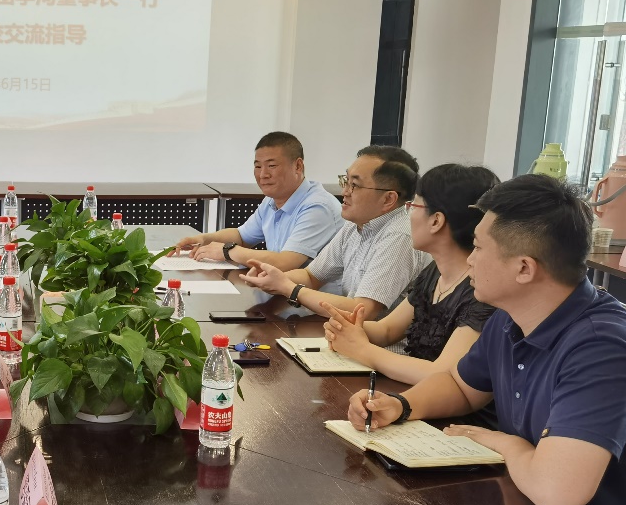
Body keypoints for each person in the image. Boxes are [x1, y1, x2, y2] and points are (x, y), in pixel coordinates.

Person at [348, 175, 626, 505]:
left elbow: (556, 492)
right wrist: (400, 405)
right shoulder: (511, 317)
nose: (469, 259)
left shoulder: (602, 347)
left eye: (479, 247)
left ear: (524, 268)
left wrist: (508, 444)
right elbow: (461, 386)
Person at [321, 163, 499, 381]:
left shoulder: (480, 289)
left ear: (436, 221)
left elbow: (442, 375)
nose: (409, 215)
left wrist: (361, 348)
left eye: (413, 206)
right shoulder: (435, 272)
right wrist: (349, 327)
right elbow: (387, 330)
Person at [241, 145, 430, 321]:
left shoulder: (400, 236)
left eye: (355, 185)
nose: (345, 192)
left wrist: (290, 288)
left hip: (377, 343)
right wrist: (272, 278)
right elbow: (312, 276)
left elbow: (363, 311)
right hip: (347, 335)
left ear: (388, 199)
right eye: (345, 181)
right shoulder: (355, 225)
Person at [174, 132, 342, 270]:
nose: (263, 175)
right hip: (283, 292)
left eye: (272, 166)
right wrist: (204, 239)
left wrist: (227, 251)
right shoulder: (271, 201)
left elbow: (285, 262)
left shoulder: (318, 207)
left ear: (298, 166)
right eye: (258, 166)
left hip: (316, 298)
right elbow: (241, 236)